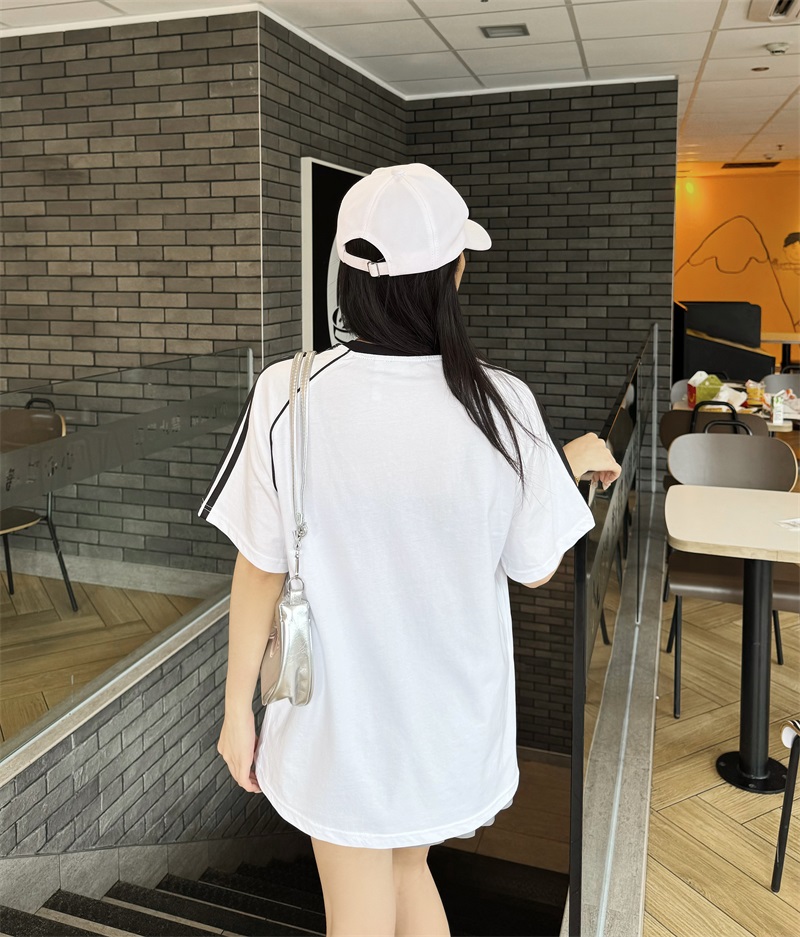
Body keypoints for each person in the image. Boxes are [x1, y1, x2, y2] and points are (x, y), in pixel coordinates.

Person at [200, 163, 621, 937]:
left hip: (337, 725)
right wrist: (563, 468)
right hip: (446, 723)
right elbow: (534, 564)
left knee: (360, 909)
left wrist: (236, 711)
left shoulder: (286, 393)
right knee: (407, 868)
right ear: (451, 274)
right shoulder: (502, 403)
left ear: (348, 273)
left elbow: (260, 564)